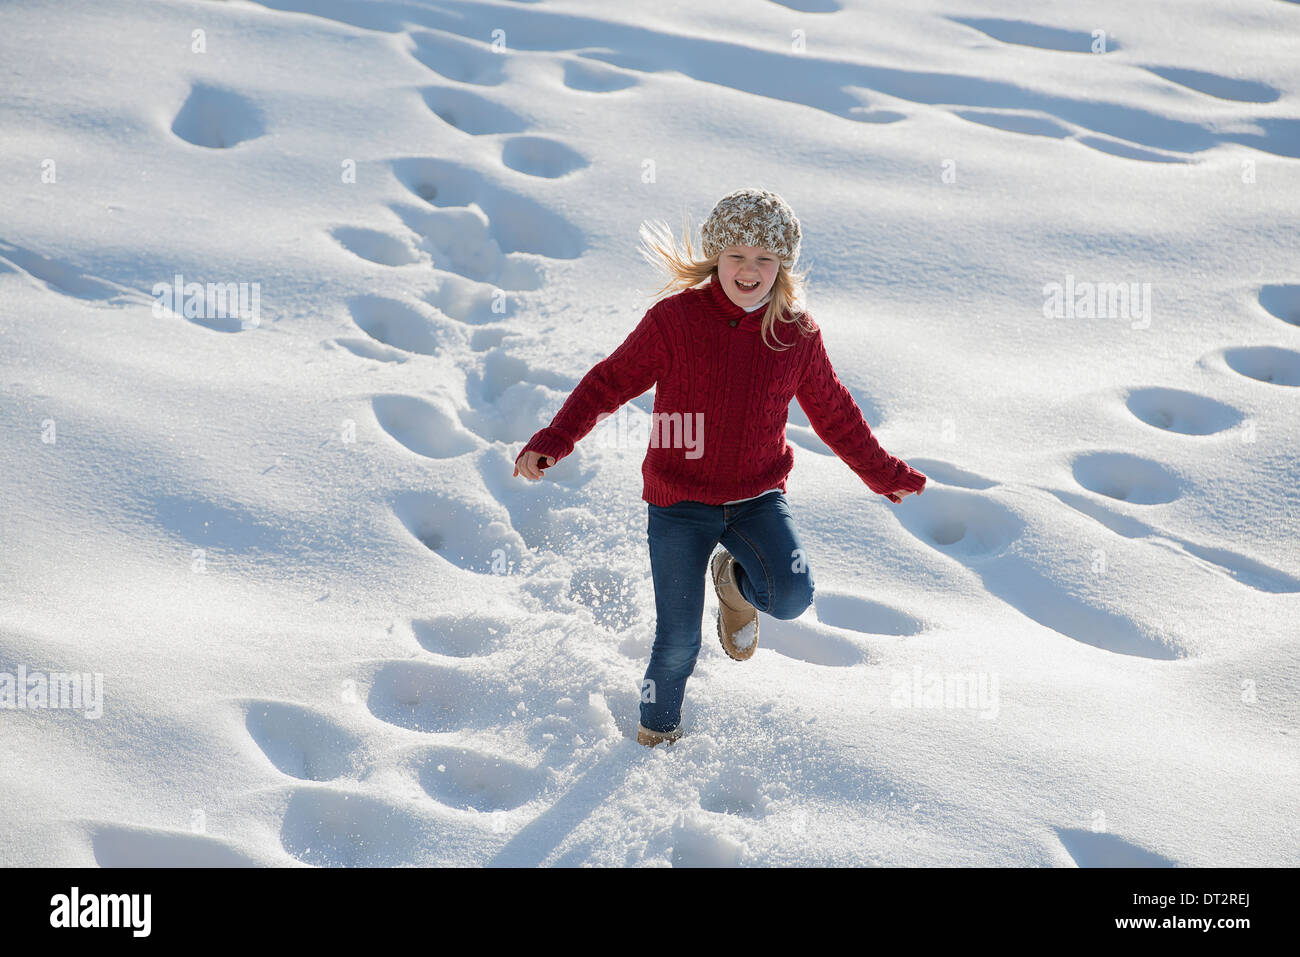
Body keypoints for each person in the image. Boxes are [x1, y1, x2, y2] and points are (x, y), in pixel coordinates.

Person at [513, 188, 926, 748]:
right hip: (679, 503)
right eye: (736, 255)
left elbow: (833, 411)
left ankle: (733, 583)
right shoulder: (675, 321)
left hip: (757, 497)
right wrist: (555, 439)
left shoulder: (795, 334)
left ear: (783, 265)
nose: (749, 270)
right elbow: (610, 380)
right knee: (678, 639)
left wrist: (882, 473)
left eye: (764, 258)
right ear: (716, 258)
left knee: (793, 596)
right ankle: (656, 737)